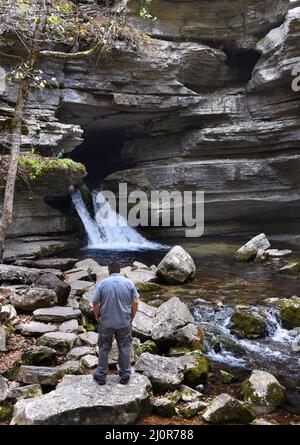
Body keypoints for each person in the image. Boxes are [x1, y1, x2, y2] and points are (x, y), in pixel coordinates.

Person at [92, 261, 139, 385]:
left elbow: (95, 302)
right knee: (124, 347)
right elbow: (135, 302)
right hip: (124, 322)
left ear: (109, 271)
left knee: (104, 347)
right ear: (120, 270)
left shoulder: (102, 283)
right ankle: (125, 375)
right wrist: (131, 317)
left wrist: (97, 317)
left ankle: (101, 375)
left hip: (106, 322)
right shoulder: (129, 283)